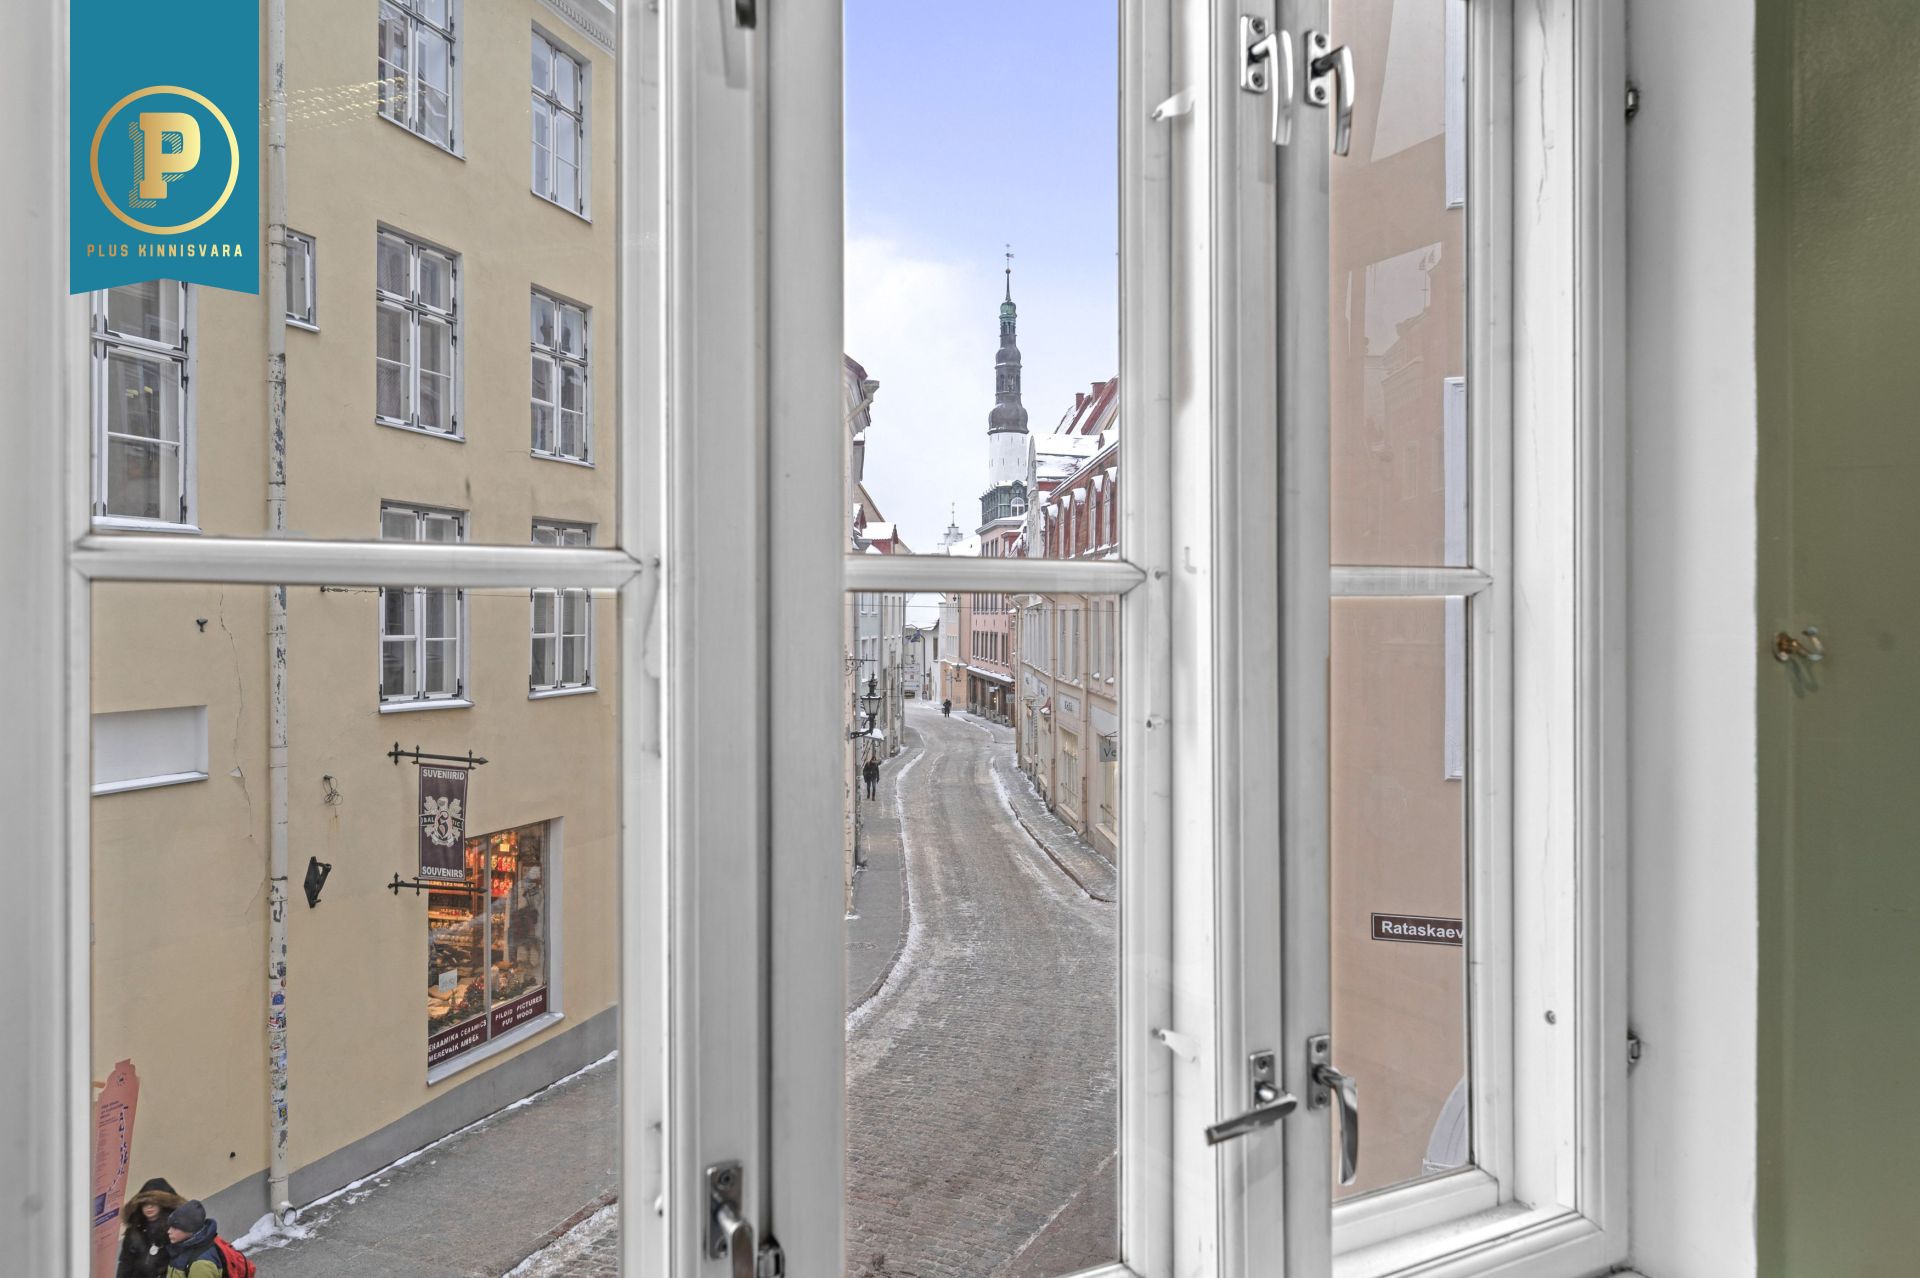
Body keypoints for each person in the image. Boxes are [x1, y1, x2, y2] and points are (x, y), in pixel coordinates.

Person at [117, 1177, 184, 1278]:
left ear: (162, 1204)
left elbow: (179, 1262)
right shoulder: (134, 1231)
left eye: (153, 1203)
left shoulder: (174, 1230)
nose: (149, 1207)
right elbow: (125, 1263)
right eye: (145, 1204)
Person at [162, 1200, 228, 1278]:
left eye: (175, 1228)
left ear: (189, 1229)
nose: (169, 1231)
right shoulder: (182, 1247)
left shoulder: (201, 1265)